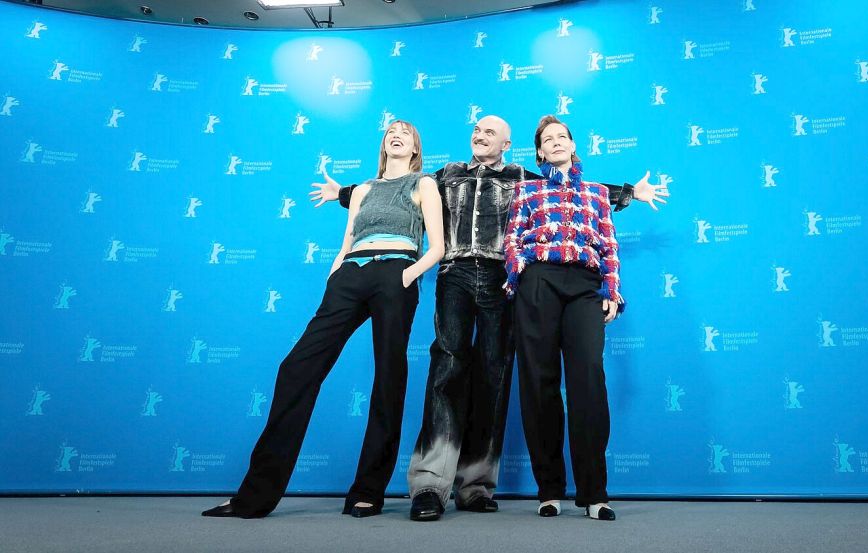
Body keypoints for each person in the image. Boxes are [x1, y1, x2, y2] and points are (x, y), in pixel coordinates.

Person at [312, 115, 668, 521]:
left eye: (489, 133)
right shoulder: (447, 174)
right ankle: (429, 486)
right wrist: (344, 193)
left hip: (501, 280)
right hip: (455, 274)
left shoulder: (522, 178)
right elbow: (400, 187)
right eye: (476, 131)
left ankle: (476, 485)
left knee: (494, 376)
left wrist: (629, 193)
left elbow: (570, 188)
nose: (479, 136)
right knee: (446, 370)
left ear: (507, 145)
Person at [202, 120, 444, 519]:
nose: (396, 134)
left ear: (415, 147)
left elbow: (438, 245)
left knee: (388, 378)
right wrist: (335, 278)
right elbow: (347, 241)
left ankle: (368, 491)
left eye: (405, 132)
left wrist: (407, 275)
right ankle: (254, 497)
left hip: (395, 272)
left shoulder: (423, 184)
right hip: (351, 274)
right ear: (383, 144)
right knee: (296, 368)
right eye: (390, 131)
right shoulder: (363, 190)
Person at [504, 115, 622, 521]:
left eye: (561, 136)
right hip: (539, 280)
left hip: (585, 284)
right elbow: (512, 239)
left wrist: (611, 291)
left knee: (588, 379)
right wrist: (519, 273)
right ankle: (549, 489)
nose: (555, 142)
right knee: (539, 382)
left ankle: (595, 493)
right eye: (547, 139)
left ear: (572, 145)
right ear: (539, 152)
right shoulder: (527, 190)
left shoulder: (598, 192)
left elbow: (608, 245)